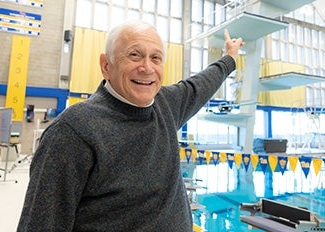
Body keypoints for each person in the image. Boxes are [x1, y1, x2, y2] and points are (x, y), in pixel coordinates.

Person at [17, 20, 245, 231]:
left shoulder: (166, 104)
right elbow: (41, 224)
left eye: (156, 58)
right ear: (106, 65)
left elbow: (201, 84)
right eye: (135, 55)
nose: (147, 68)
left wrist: (230, 57)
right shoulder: (73, 131)